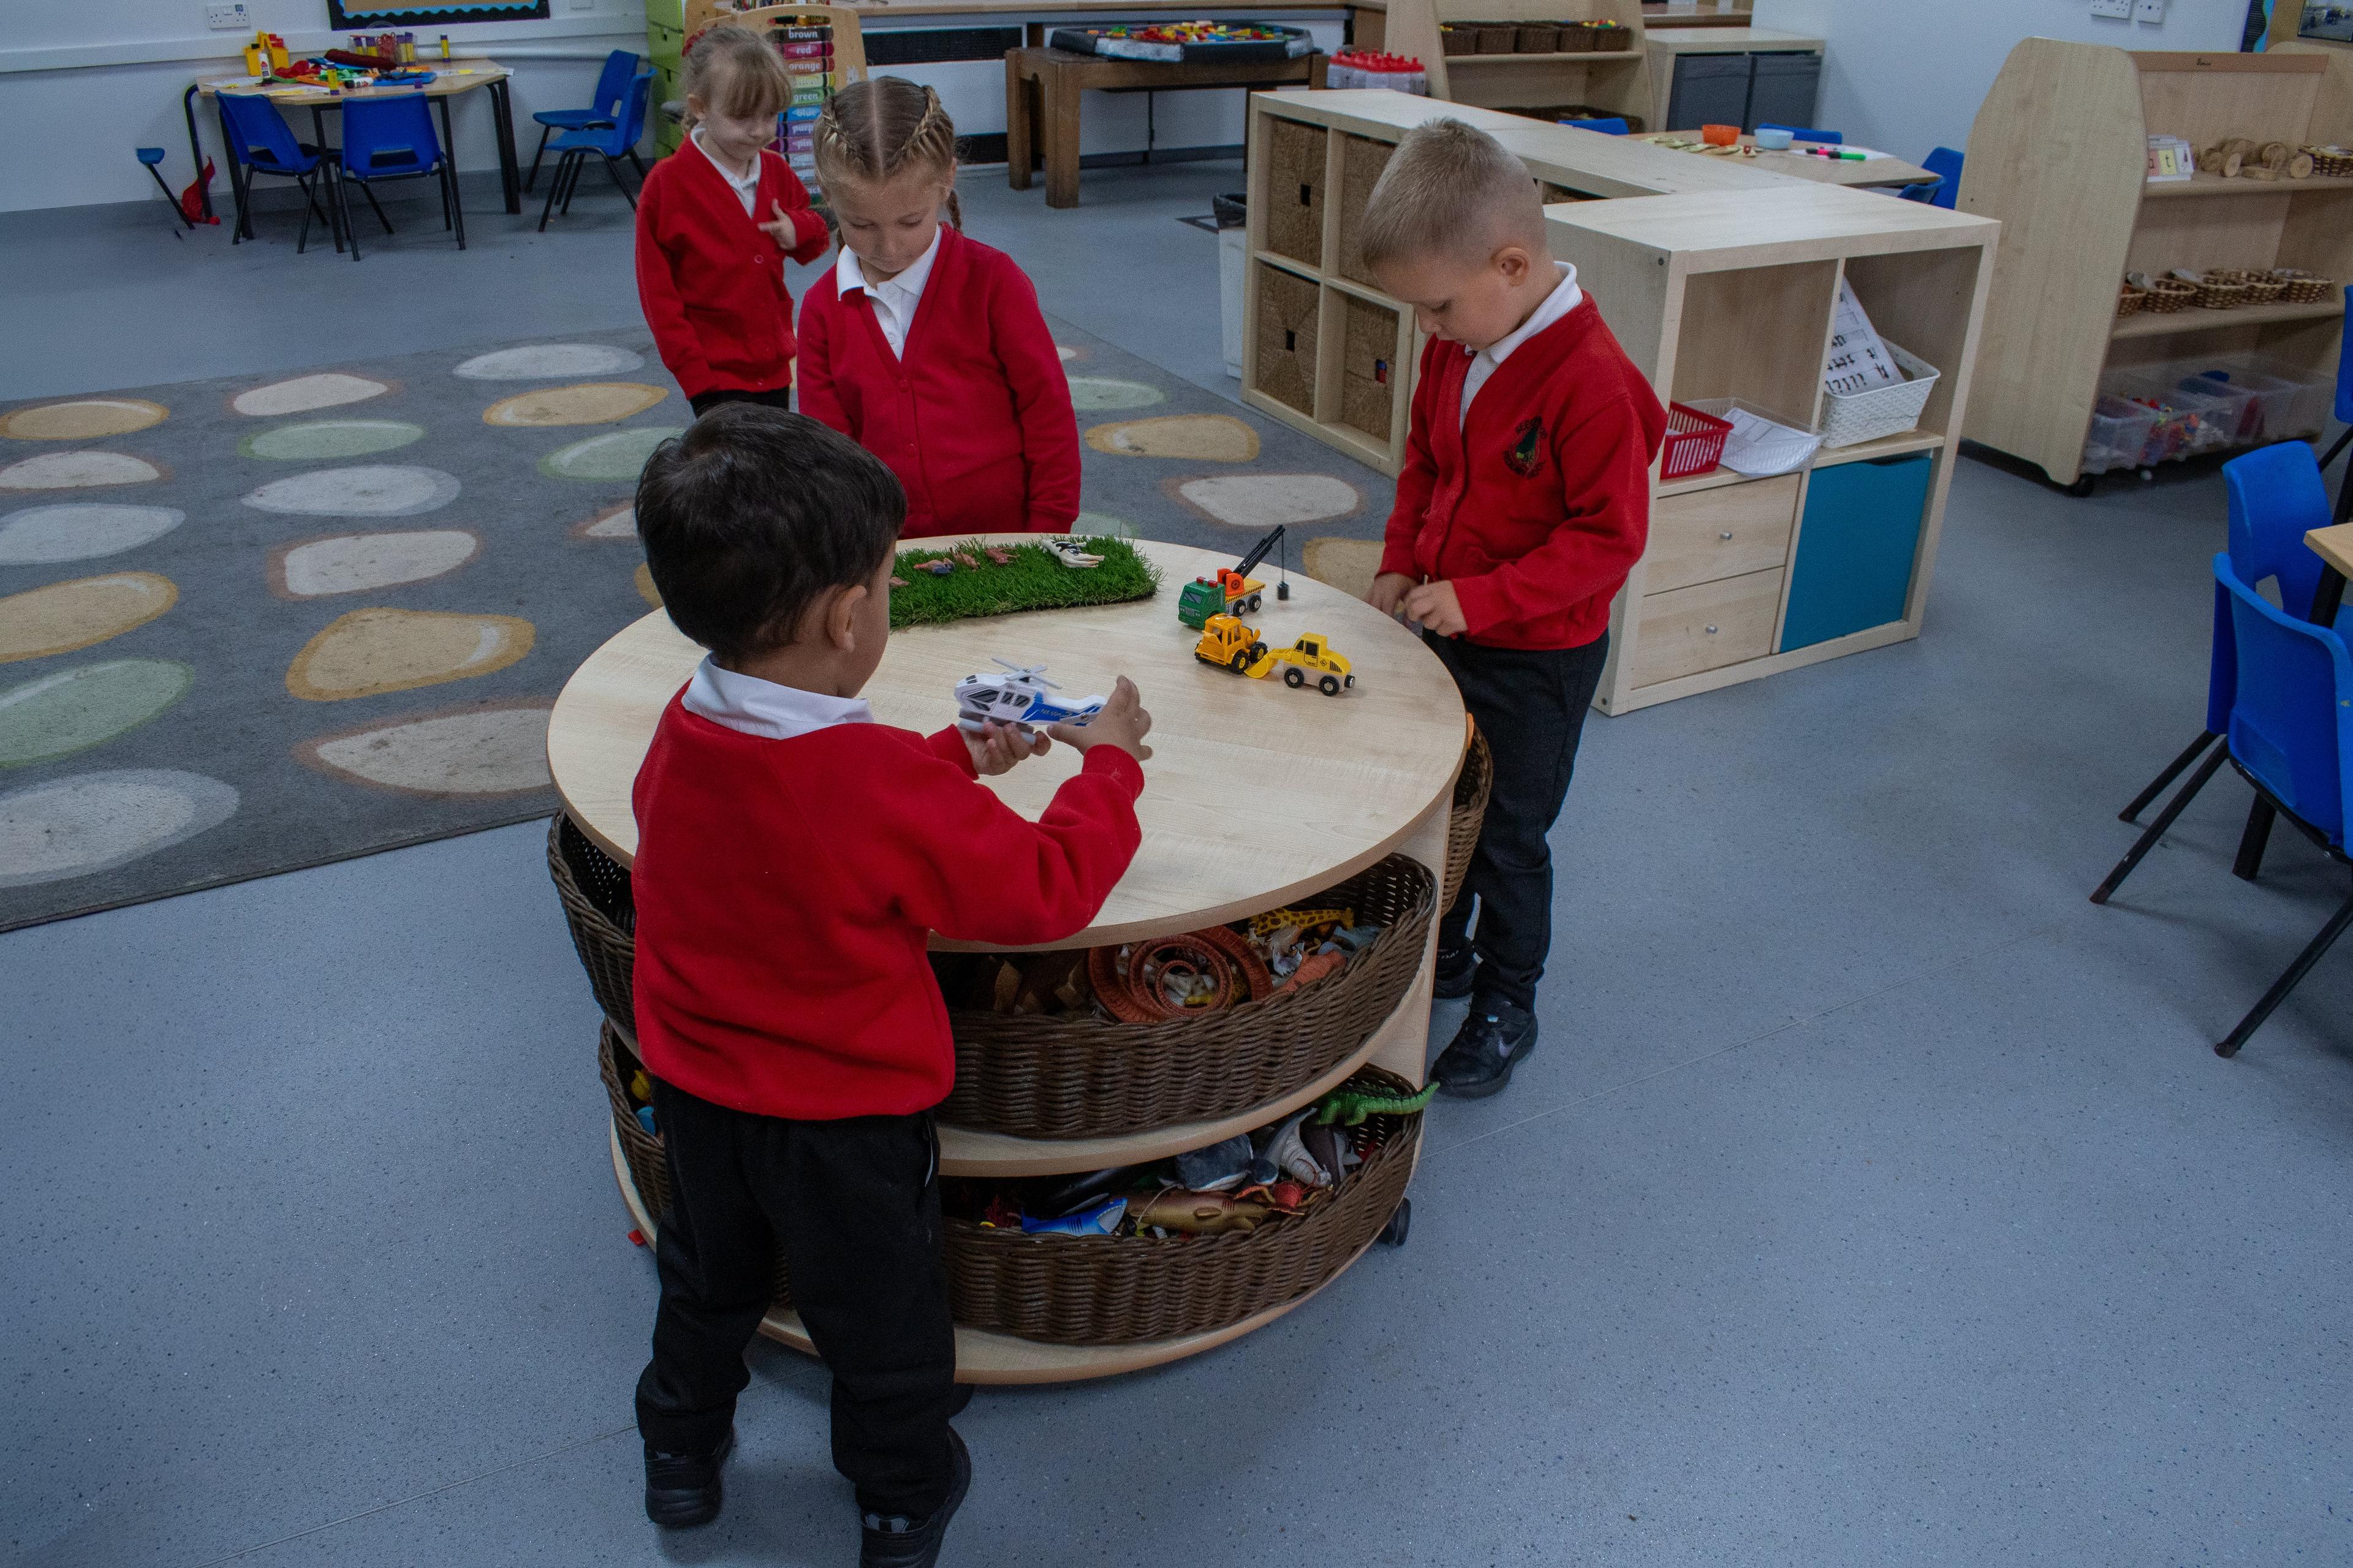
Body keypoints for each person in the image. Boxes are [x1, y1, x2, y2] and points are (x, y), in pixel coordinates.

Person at [627, 406, 1153, 1566]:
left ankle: (677, 1450)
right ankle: (903, 1494)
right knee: (882, 1319)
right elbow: (1048, 884)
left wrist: (950, 757)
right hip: (843, 1124)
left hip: (703, 1096)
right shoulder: (867, 784)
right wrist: (1106, 765)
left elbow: (792, 820)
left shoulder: (688, 720)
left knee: (705, 1281)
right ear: (849, 614)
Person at [1358, 118, 1665, 1099]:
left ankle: (1508, 998)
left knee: (1509, 835)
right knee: (1441, 803)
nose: (1426, 328)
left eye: (1438, 306)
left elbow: (1606, 540)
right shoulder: (1458, 344)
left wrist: (1486, 596)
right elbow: (1427, 462)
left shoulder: (1594, 386)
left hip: (1539, 654)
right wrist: (1402, 562)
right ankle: (1442, 949)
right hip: (1450, 628)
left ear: (1513, 262)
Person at [795, 77, 1080, 538]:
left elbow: (1048, 413)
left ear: (946, 179)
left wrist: (1049, 528)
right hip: (888, 550)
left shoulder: (993, 281)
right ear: (827, 196)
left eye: (910, 222)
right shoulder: (821, 312)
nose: (888, 247)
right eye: (861, 224)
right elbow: (829, 457)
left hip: (1009, 537)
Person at [634, 24, 832, 416]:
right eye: (743, 118)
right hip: (712, 374)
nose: (760, 132)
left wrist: (798, 230)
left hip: (773, 365)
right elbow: (658, 296)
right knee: (727, 469)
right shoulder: (667, 185)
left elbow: (818, 232)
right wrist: (695, 376)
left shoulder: (775, 171)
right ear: (700, 107)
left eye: (770, 116)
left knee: (770, 465)